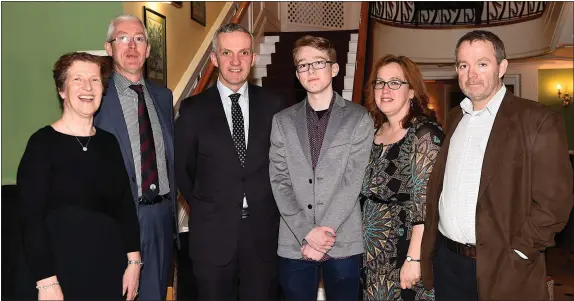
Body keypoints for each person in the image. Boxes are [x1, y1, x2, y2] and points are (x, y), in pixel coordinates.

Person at [420, 30, 574, 301]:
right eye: (463, 65)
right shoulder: (456, 116)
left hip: (504, 268)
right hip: (448, 264)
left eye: (482, 63)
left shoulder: (537, 120)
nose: (471, 74)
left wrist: (521, 252)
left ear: (502, 67)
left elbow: (555, 204)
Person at [17, 52, 141, 300]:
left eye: (95, 80)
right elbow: (30, 218)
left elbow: (125, 205)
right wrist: (46, 281)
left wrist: (134, 262)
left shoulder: (108, 143)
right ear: (61, 90)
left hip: (108, 270)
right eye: (77, 79)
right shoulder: (41, 143)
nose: (88, 87)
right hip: (58, 275)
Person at [175, 23, 283, 301]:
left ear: (253, 58)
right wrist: (209, 207)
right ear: (214, 59)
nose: (236, 61)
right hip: (212, 237)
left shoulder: (275, 106)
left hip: (262, 236)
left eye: (244, 52)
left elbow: (283, 167)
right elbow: (183, 172)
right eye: (227, 53)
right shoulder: (192, 110)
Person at [269, 35, 374, 301]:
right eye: (303, 65)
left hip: (342, 240)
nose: (311, 71)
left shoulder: (359, 118)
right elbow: (279, 180)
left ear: (334, 68)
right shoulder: (282, 121)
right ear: (297, 73)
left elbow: (353, 182)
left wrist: (323, 234)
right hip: (294, 241)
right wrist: (307, 233)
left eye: (318, 63)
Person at [95, 14, 176, 301]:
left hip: (161, 217)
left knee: (154, 294)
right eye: (123, 38)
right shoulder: (96, 99)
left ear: (148, 50)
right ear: (109, 47)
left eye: (139, 39)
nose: (131, 46)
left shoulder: (164, 97)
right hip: (116, 220)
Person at [360, 55, 443, 301]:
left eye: (395, 82)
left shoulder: (424, 133)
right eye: (380, 82)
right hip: (371, 257)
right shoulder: (373, 132)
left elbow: (425, 204)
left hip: (405, 252)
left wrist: (414, 258)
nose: (385, 89)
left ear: (411, 91)